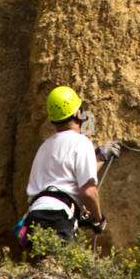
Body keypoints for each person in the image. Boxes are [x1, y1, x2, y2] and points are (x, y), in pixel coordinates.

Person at [23, 86, 115, 243]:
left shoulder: (44, 147)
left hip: (34, 218)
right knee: (58, 266)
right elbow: (88, 191)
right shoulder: (82, 142)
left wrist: (99, 158)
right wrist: (98, 219)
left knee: (42, 265)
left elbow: (65, 177)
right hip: (58, 217)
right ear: (79, 113)